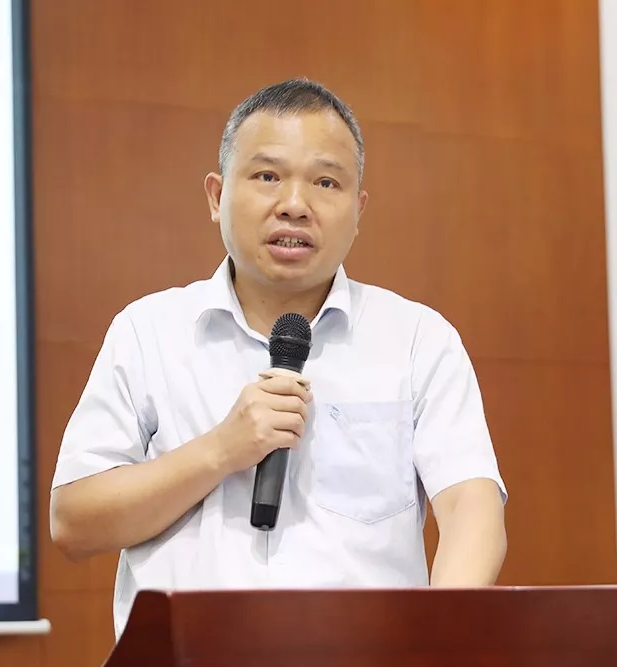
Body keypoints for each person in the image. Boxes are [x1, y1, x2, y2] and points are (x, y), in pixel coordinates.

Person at [49, 78, 508, 639]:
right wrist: (220, 451)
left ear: (358, 210)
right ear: (217, 195)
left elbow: (470, 507)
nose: (294, 205)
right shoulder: (147, 332)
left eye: (326, 182)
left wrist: (439, 637)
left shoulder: (417, 339)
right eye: (268, 176)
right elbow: (75, 522)